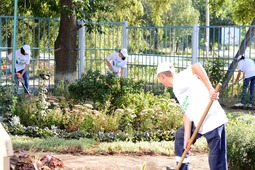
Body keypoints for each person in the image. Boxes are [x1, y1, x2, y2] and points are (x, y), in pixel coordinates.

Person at [156, 62, 228, 170]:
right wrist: (187, 139)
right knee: (181, 136)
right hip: (199, 121)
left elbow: (196, 66)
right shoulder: (177, 87)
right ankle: (182, 167)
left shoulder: (180, 79)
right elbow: (187, 113)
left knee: (216, 160)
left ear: (162, 76)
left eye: (159, 78)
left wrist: (210, 89)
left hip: (213, 120)